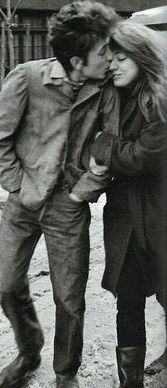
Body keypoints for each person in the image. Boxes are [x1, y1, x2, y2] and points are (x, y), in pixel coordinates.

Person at [0, 0, 118, 388]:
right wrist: (17, 186)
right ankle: (29, 351)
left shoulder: (104, 89)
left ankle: (66, 373)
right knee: (10, 287)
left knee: (70, 300)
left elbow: (107, 148)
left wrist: (81, 194)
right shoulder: (27, 78)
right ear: (77, 60)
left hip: (68, 208)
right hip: (22, 204)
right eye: (103, 51)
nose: (110, 58)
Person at [90, 21, 167, 387]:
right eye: (111, 59)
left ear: (142, 58)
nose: (114, 65)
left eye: (122, 58)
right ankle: (130, 382)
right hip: (124, 216)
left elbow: (141, 156)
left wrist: (103, 145)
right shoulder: (111, 96)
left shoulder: (161, 99)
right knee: (129, 299)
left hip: (160, 213)